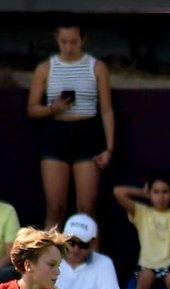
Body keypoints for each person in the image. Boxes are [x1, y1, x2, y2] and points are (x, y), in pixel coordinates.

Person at [27, 17, 114, 230]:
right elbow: (32, 108)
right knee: (55, 207)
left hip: (87, 132)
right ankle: (48, 260)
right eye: (64, 42)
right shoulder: (46, 68)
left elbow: (106, 108)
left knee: (87, 207)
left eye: (73, 42)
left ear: (83, 40)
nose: (68, 47)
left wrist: (109, 147)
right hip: (56, 132)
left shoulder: (97, 67)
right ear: (57, 40)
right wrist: (52, 109)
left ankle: (92, 260)